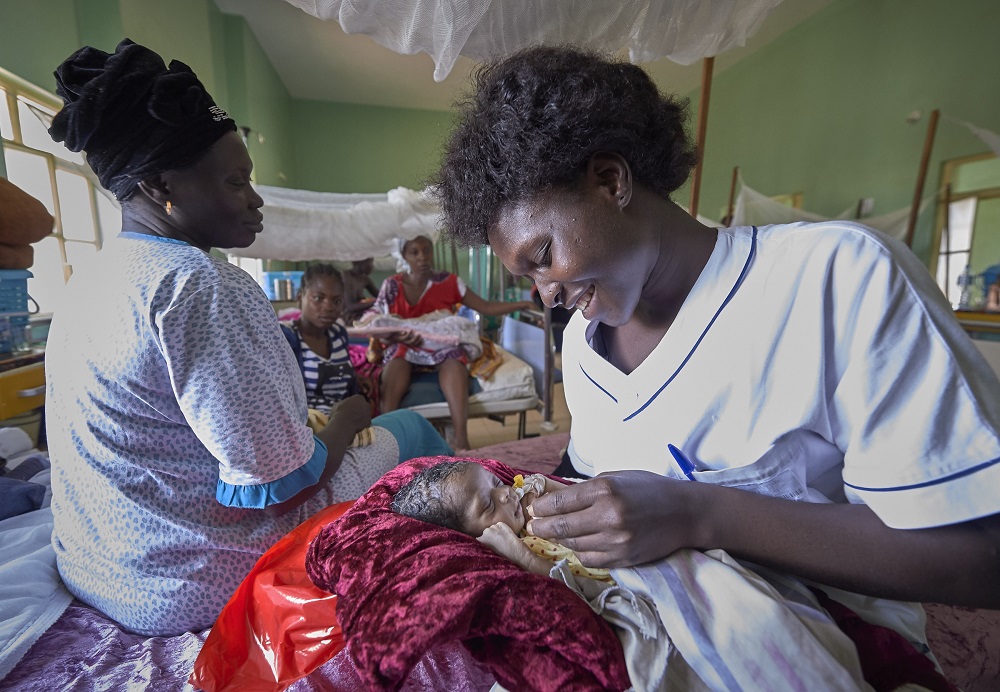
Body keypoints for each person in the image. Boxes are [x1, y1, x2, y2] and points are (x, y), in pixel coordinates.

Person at [431, 44, 1000, 662]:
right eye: (527, 281)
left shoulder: (836, 279)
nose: (546, 297)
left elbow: (980, 555)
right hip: (638, 633)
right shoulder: (583, 346)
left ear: (609, 181)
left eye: (543, 259)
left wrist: (699, 514)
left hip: (818, 647)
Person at [44, 39, 452, 637]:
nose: (256, 201)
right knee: (410, 429)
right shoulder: (201, 287)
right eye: (236, 182)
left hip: (101, 563)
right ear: (162, 186)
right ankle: (453, 558)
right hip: (189, 580)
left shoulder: (91, 281)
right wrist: (345, 418)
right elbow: (283, 487)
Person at [366, 234, 534, 450]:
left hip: (441, 345)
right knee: (396, 360)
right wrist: (395, 335)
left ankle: (461, 439)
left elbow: (486, 307)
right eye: (414, 252)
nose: (422, 257)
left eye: (427, 250)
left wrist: (523, 305)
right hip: (404, 346)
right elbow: (375, 323)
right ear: (404, 256)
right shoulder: (392, 286)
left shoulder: (449, 282)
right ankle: (387, 440)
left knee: (455, 360)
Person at [391, 460, 612, 582]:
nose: (505, 493)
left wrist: (546, 485)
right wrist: (524, 558)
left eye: (497, 483)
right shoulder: (515, 550)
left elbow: (589, 502)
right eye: (488, 505)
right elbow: (577, 589)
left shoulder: (526, 502)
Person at [280, 263, 361, 415]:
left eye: (336, 301)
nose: (329, 307)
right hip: (306, 428)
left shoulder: (338, 334)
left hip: (342, 421)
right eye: (318, 298)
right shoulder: (286, 337)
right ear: (300, 298)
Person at [342, 257, 379, 324]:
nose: (372, 266)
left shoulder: (365, 279)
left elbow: (381, 296)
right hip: (348, 316)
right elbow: (350, 307)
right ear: (360, 262)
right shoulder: (346, 276)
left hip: (359, 314)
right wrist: (375, 302)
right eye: (370, 262)